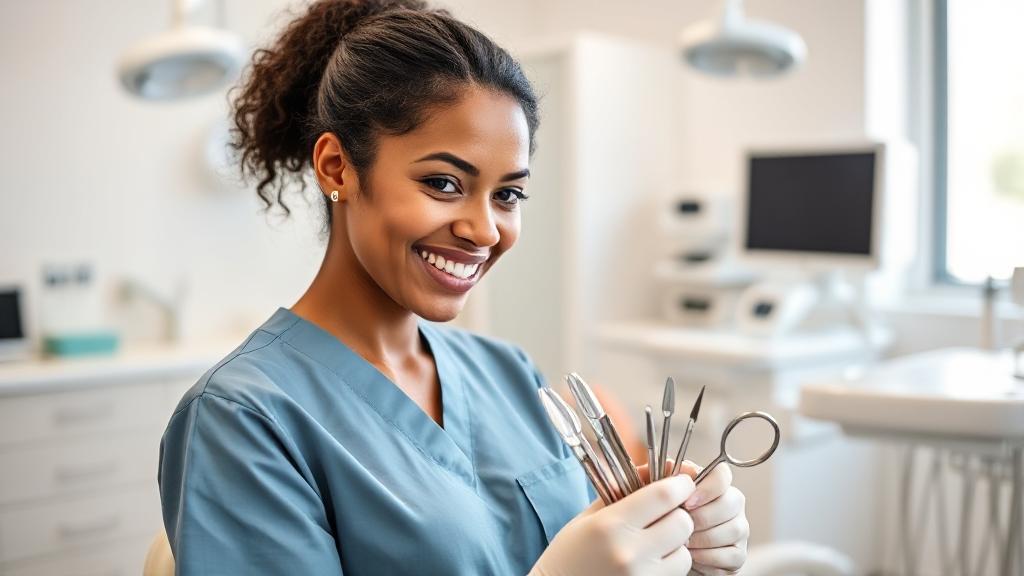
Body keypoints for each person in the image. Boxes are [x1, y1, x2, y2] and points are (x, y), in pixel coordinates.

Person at [157, 0, 749, 574]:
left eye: (508, 194)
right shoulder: (242, 419)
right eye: (443, 182)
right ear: (338, 167)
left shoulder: (509, 373)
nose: (483, 229)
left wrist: (672, 549)